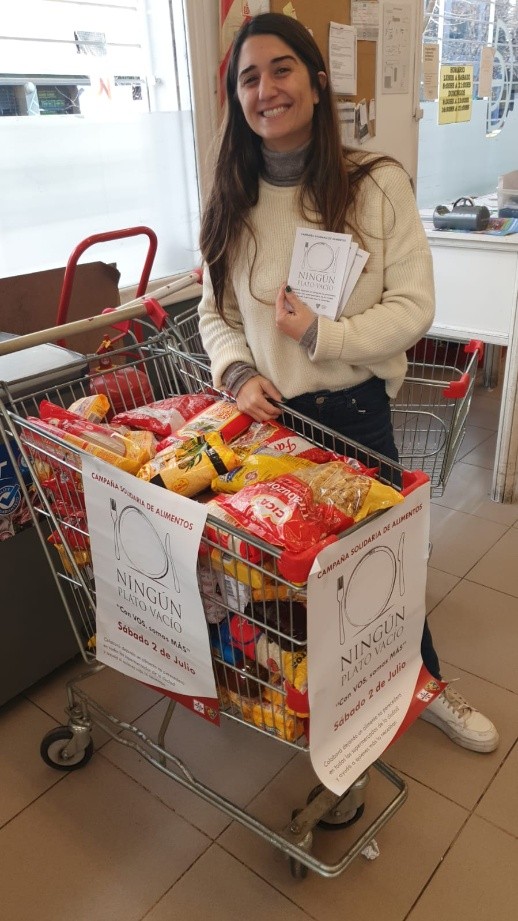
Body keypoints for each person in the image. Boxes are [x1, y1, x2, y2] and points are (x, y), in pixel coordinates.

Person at [198, 12, 498, 753]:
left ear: (316, 81)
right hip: (269, 425)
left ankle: (425, 684)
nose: (266, 89)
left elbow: (413, 308)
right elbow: (215, 313)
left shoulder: (376, 183)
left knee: (380, 573)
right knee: (281, 578)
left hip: (354, 415)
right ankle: (316, 704)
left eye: (281, 69)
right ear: (237, 98)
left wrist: (322, 335)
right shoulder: (232, 195)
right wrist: (237, 373)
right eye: (248, 78)